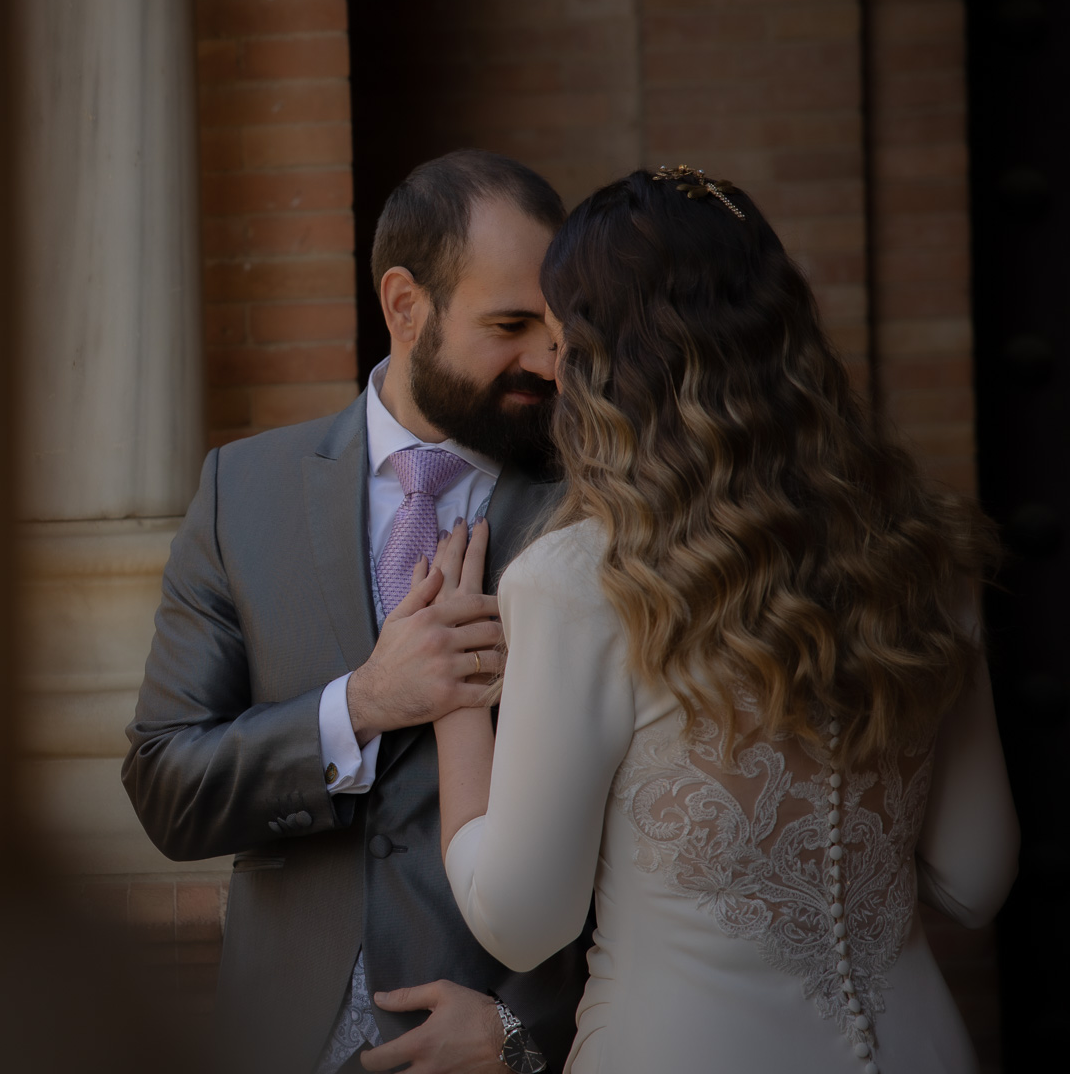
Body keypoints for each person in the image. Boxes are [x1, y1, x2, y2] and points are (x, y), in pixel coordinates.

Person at [429, 166, 1020, 1073]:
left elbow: (520, 920)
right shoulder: (927, 551)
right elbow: (977, 877)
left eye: (560, 335)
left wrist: (457, 701)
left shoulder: (579, 581)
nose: (550, 363)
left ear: (603, 357)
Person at [123, 150, 592, 1074]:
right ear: (405, 306)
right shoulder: (241, 493)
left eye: (556, 325)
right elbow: (167, 787)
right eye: (510, 324)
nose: (547, 358)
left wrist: (522, 1034)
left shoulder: (597, 504)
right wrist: (364, 703)